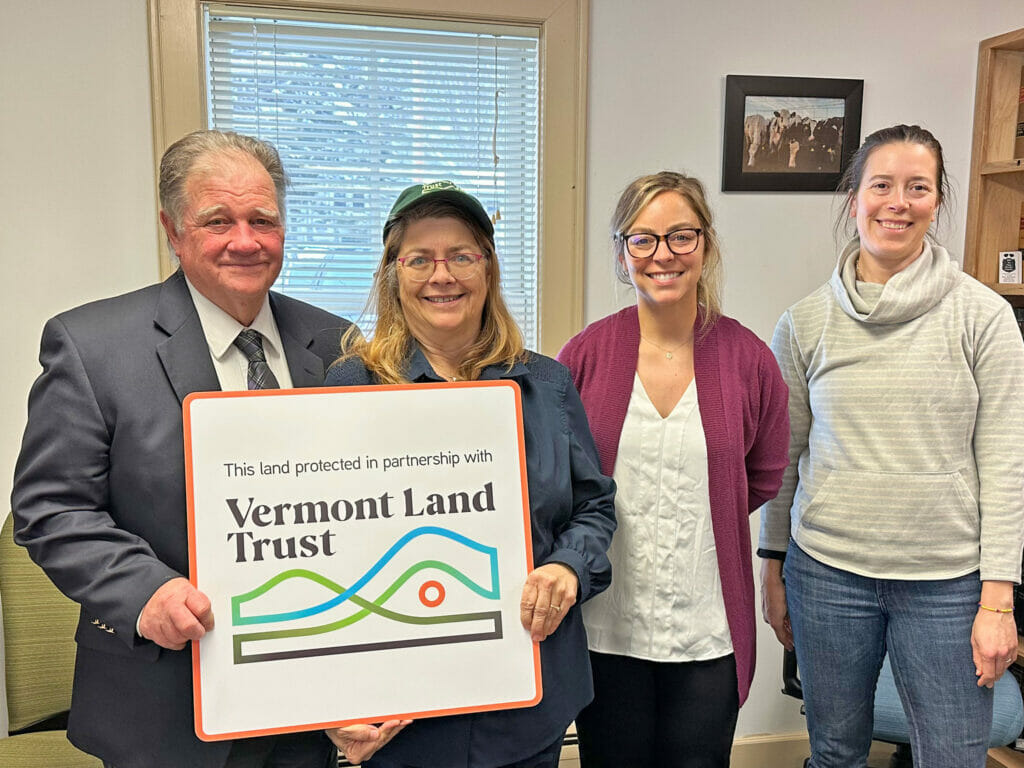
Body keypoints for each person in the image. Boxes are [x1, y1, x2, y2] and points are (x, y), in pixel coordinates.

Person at [10, 129, 404, 768]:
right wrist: (147, 593)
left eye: (263, 220)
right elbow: (52, 511)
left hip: (311, 707)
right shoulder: (91, 346)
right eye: (218, 220)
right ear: (172, 230)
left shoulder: (340, 345)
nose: (245, 241)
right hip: (164, 708)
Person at [324, 180, 617, 768]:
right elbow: (325, 548)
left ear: (488, 268)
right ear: (391, 273)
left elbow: (595, 508)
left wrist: (567, 566)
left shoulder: (548, 384)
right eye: (420, 259)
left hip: (526, 696)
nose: (443, 275)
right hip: (403, 707)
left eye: (462, 255)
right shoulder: (348, 388)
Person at [759, 124, 1024, 767]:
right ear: (854, 197)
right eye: (881, 185)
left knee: (954, 757)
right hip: (826, 573)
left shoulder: (983, 317)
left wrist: (999, 600)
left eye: (918, 187)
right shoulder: (805, 322)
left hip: (946, 584)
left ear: (937, 201)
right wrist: (771, 564)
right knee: (834, 754)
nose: (897, 202)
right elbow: (785, 457)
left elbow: (1006, 463)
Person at [556, 171, 790, 768]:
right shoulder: (584, 357)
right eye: (643, 238)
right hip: (607, 627)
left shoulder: (747, 360)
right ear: (622, 252)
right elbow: (559, 483)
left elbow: (763, 474)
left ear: (705, 245)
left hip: (705, 630)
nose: (663, 254)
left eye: (681, 236)